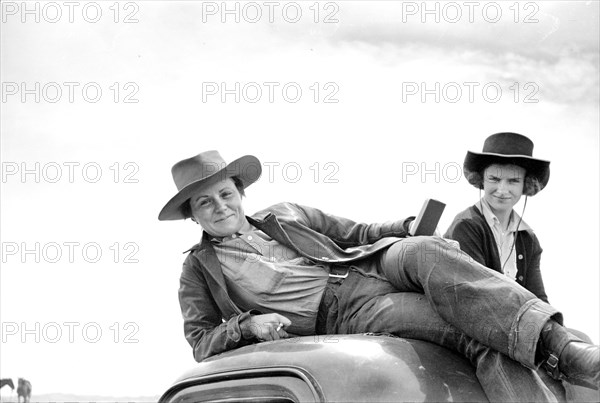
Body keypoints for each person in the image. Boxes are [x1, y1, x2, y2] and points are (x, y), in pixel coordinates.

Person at [159, 150, 599, 402]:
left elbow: (355, 234)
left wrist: (402, 228)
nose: (220, 207)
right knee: (474, 330)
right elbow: (200, 341)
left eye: (224, 194)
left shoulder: (285, 214)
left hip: (366, 265)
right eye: (204, 203)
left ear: (240, 192)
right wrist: (247, 324)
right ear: (192, 216)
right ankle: (565, 356)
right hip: (347, 310)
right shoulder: (198, 268)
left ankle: (568, 350)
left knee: (426, 248)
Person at [444, 132, 596, 400]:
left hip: (520, 324)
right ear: (482, 180)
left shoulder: (528, 238)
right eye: (494, 179)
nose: (502, 189)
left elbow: (539, 298)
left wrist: (550, 328)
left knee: (579, 336)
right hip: (480, 323)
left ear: (527, 185)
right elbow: (474, 298)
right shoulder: (466, 225)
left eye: (513, 180)